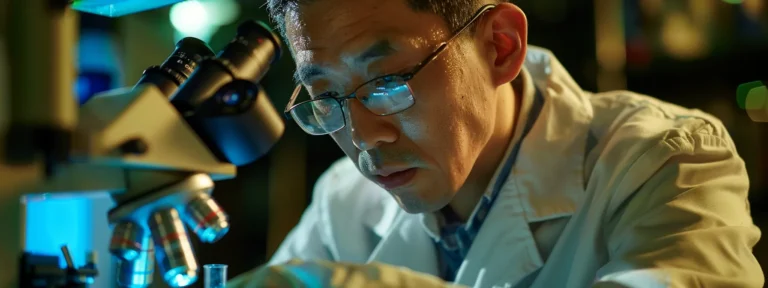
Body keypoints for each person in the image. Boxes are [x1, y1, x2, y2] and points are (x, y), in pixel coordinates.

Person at [228, 1, 764, 287]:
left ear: (499, 47)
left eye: (389, 83)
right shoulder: (343, 201)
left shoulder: (664, 160)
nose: (364, 138)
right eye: (326, 96)